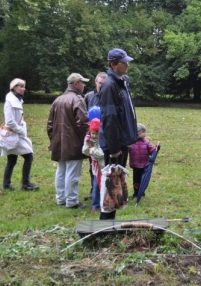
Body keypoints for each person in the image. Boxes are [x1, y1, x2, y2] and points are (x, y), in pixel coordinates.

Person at [99, 48, 138, 220]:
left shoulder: (122, 83)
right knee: (111, 186)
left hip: (122, 142)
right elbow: (110, 119)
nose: (127, 65)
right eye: (124, 62)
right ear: (113, 65)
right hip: (115, 146)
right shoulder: (110, 86)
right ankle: (105, 223)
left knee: (117, 186)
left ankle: (111, 221)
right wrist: (114, 148)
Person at [47, 73, 90, 209]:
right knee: (72, 173)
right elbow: (83, 122)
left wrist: (53, 140)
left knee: (61, 171)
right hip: (73, 143)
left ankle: (61, 198)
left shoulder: (57, 100)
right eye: (82, 82)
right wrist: (88, 139)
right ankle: (71, 201)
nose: (84, 85)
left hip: (58, 142)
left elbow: (50, 124)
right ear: (76, 83)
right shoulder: (78, 99)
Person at [0, 79, 39, 191]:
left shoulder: (17, 99)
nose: (23, 88)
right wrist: (20, 130)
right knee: (28, 156)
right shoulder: (10, 101)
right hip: (13, 134)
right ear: (14, 87)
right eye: (21, 86)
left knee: (12, 159)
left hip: (16, 134)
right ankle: (25, 184)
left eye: (24, 86)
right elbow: (10, 121)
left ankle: (7, 185)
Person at [84, 72, 107, 201]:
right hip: (92, 136)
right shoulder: (89, 96)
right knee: (93, 165)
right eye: (99, 83)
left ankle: (105, 191)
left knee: (105, 164)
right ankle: (94, 190)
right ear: (95, 82)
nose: (101, 86)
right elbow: (83, 114)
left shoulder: (109, 97)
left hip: (105, 136)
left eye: (104, 84)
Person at [82, 118, 105, 212]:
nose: (94, 136)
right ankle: (95, 205)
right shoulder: (90, 140)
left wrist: (92, 150)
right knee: (95, 186)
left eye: (97, 133)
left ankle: (106, 203)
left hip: (104, 167)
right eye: (92, 133)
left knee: (105, 186)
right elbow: (85, 152)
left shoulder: (103, 141)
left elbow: (101, 154)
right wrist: (87, 144)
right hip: (95, 169)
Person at [129, 123, 157, 198]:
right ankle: (136, 193)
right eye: (143, 132)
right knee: (136, 180)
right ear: (137, 133)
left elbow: (151, 151)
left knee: (143, 180)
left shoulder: (146, 142)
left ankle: (142, 193)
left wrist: (155, 149)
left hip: (144, 165)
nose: (145, 134)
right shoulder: (131, 142)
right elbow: (126, 150)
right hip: (135, 165)